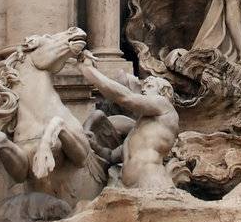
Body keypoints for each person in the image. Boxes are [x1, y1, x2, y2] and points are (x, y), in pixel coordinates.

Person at [76, 53, 181, 193]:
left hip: (151, 182)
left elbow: (126, 98)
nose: (143, 89)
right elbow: (112, 156)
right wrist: (96, 146)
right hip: (125, 187)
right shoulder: (137, 129)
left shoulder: (164, 106)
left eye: (149, 86)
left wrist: (90, 72)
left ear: (164, 92)